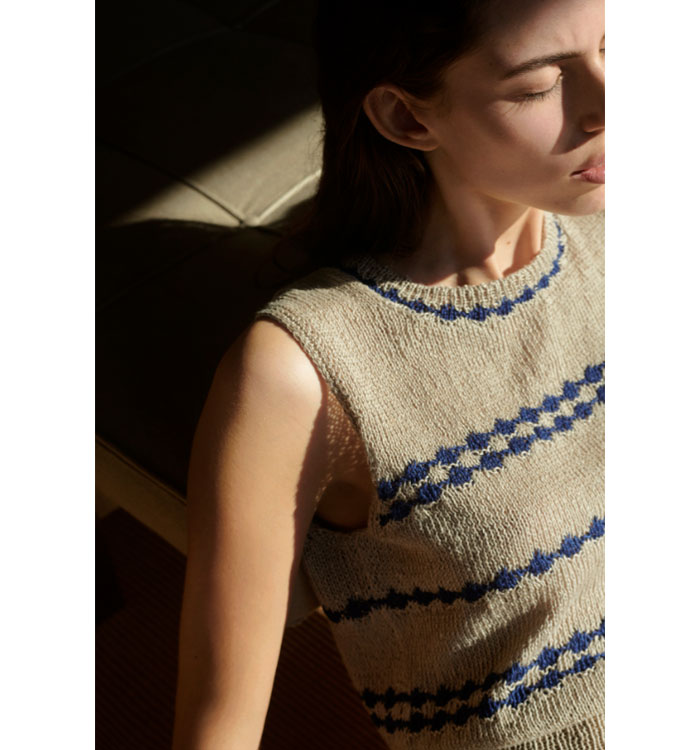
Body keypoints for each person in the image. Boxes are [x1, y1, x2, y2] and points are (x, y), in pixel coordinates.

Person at [172, 0, 605, 748]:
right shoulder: (306, 371)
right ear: (407, 117)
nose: (609, 103)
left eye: (614, 48)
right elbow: (219, 732)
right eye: (540, 85)